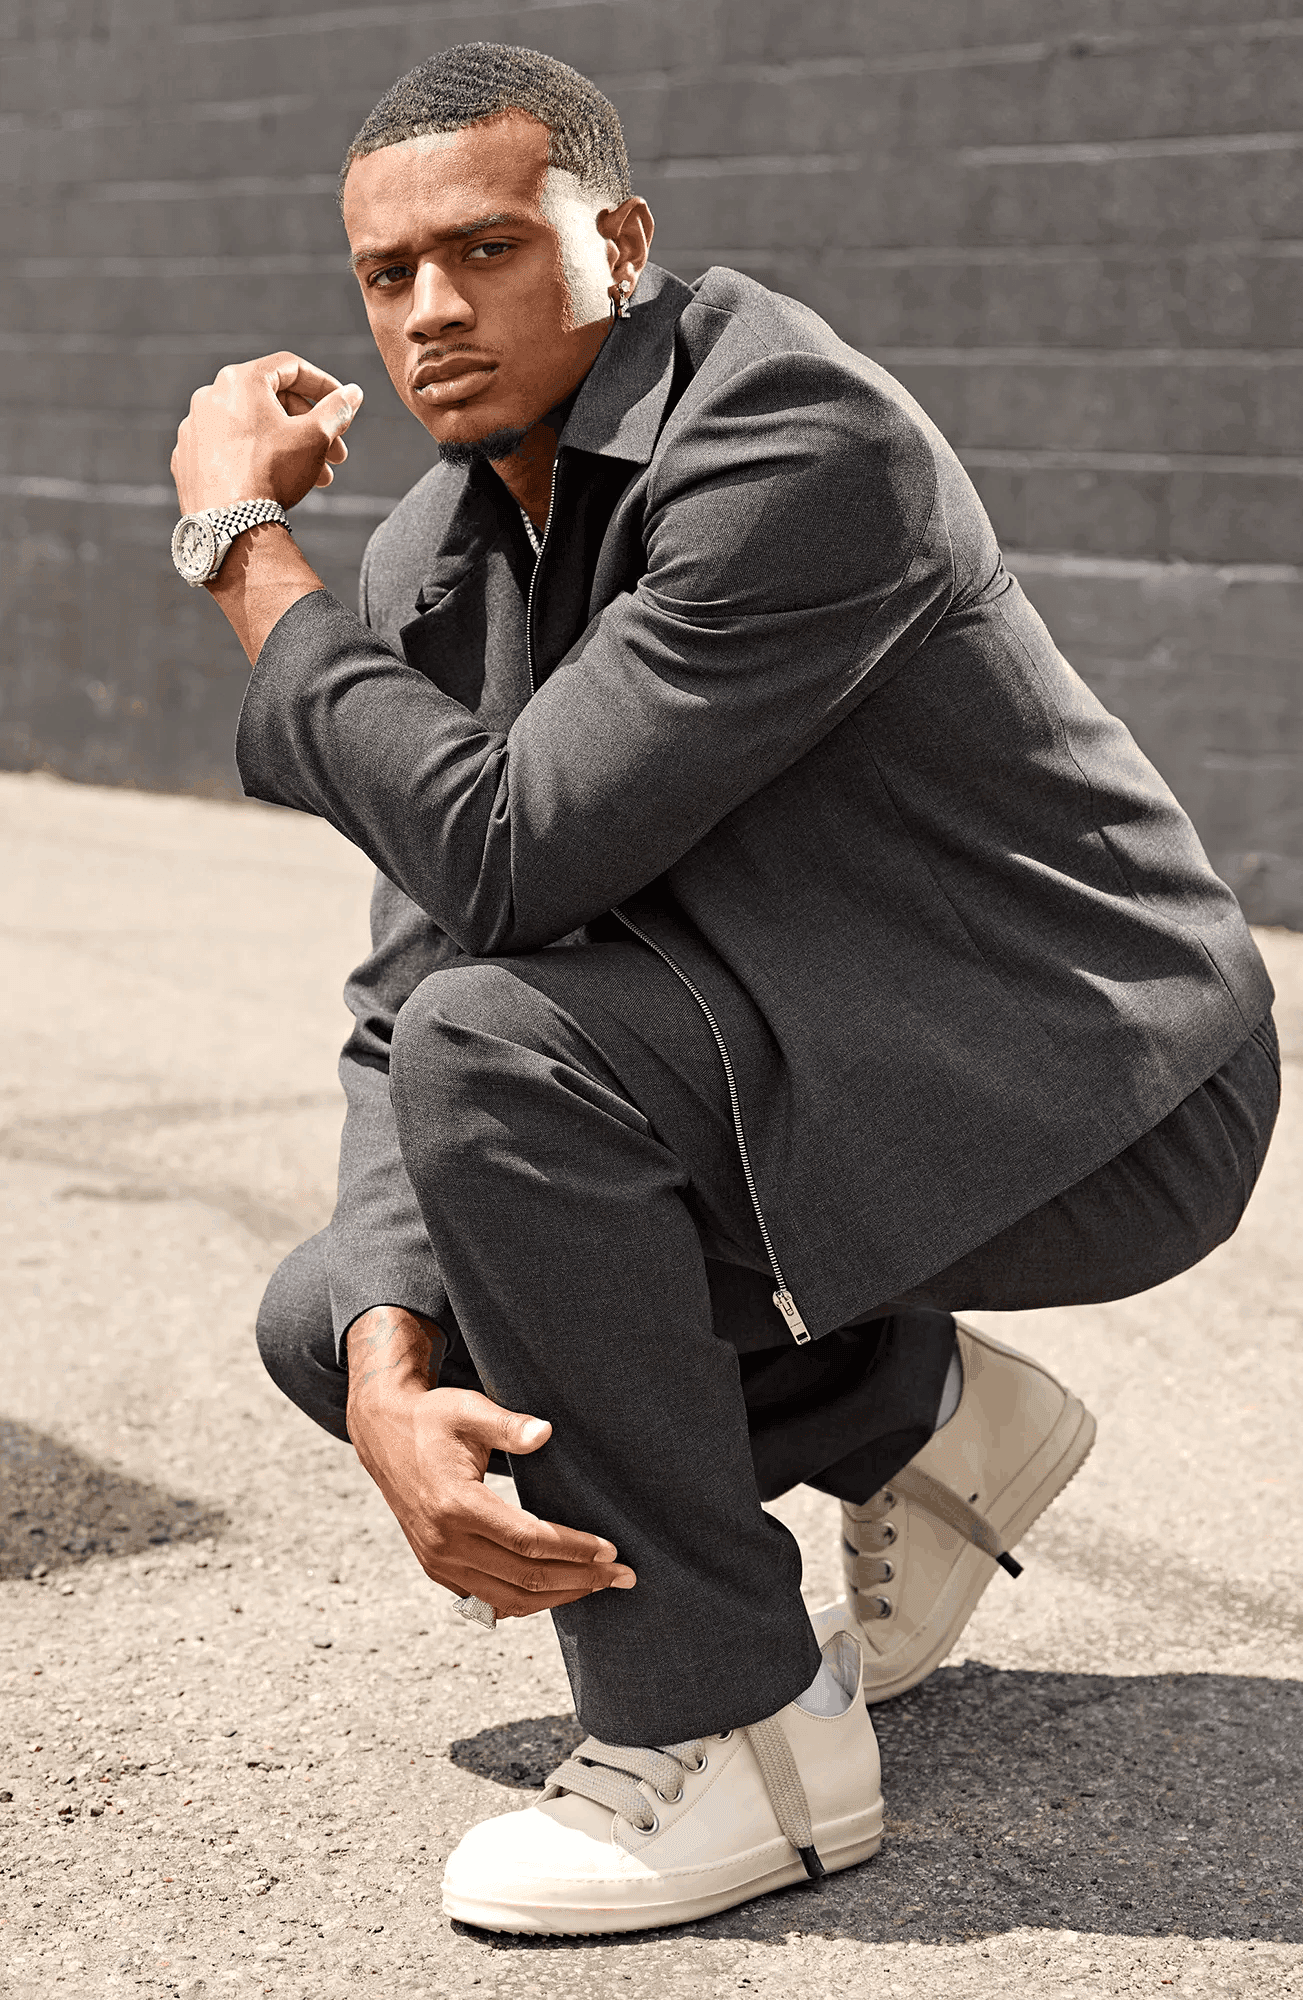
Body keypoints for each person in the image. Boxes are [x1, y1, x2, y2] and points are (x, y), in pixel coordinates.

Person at [169, 43, 1279, 1937]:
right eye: (386, 277)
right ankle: (905, 1405)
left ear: (619, 238)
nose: (433, 313)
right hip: (803, 1063)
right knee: (344, 1308)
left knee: (507, 1061)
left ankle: (740, 1730)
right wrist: (377, 1373)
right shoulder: (443, 543)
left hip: (1090, 1083)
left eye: (489, 251)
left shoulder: (788, 439)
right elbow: (398, 987)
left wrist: (242, 554)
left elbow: (511, 864)